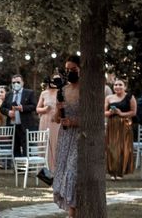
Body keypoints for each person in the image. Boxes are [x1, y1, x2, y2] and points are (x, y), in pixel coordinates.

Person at [53, 56, 81, 218]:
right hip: (64, 137)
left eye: (73, 69)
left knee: (72, 172)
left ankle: (72, 213)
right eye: (67, 70)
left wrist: (74, 121)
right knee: (63, 170)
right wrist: (58, 110)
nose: (70, 72)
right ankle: (72, 210)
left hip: (79, 137)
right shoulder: (63, 90)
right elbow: (57, 119)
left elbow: (93, 118)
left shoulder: (87, 90)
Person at [104, 78, 137, 179]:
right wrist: (110, 113)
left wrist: (121, 113)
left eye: (120, 85)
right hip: (112, 125)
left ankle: (120, 172)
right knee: (111, 147)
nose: (117, 87)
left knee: (123, 148)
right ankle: (112, 171)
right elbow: (103, 112)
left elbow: (133, 112)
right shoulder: (109, 98)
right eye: (115, 85)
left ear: (125, 87)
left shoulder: (130, 97)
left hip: (125, 125)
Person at [0, 74, 37, 157]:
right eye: (13, 82)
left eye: (18, 82)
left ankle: (26, 168)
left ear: (22, 83)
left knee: (26, 148)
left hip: (25, 125)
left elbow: (34, 106)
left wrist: (22, 108)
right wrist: (8, 112)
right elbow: (2, 108)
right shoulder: (9, 94)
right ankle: (17, 169)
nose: (16, 84)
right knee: (15, 148)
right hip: (12, 126)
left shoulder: (29, 93)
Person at [37, 74, 61, 171]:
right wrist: (45, 109)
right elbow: (37, 109)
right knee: (44, 143)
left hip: (56, 121)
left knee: (55, 143)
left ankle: (55, 168)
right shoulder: (44, 93)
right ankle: (44, 170)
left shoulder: (61, 92)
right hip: (45, 120)